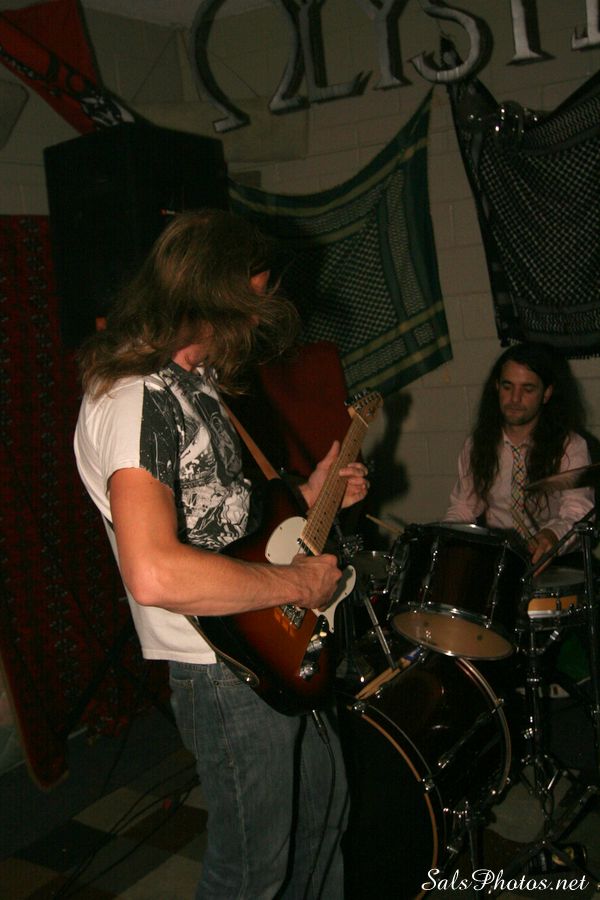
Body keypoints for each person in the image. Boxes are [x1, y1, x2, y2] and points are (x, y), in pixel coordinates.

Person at [73, 208, 369, 899]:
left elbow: (220, 515)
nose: (259, 318)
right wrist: (296, 583)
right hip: (222, 661)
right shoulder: (138, 399)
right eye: (253, 298)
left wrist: (309, 492)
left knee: (322, 823)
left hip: (267, 640)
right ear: (216, 292)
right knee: (251, 873)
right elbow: (155, 571)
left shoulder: (191, 382)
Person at [445, 342, 594, 569]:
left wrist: (551, 535)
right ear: (497, 387)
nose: (515, 399)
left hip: (556, 564)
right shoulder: (477, 444)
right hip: (500, 563)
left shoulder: (570, 446)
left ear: (546, 393)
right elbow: (464, 507)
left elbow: (578, 512)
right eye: (507, 387)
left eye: (527, 389)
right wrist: (444, 539)